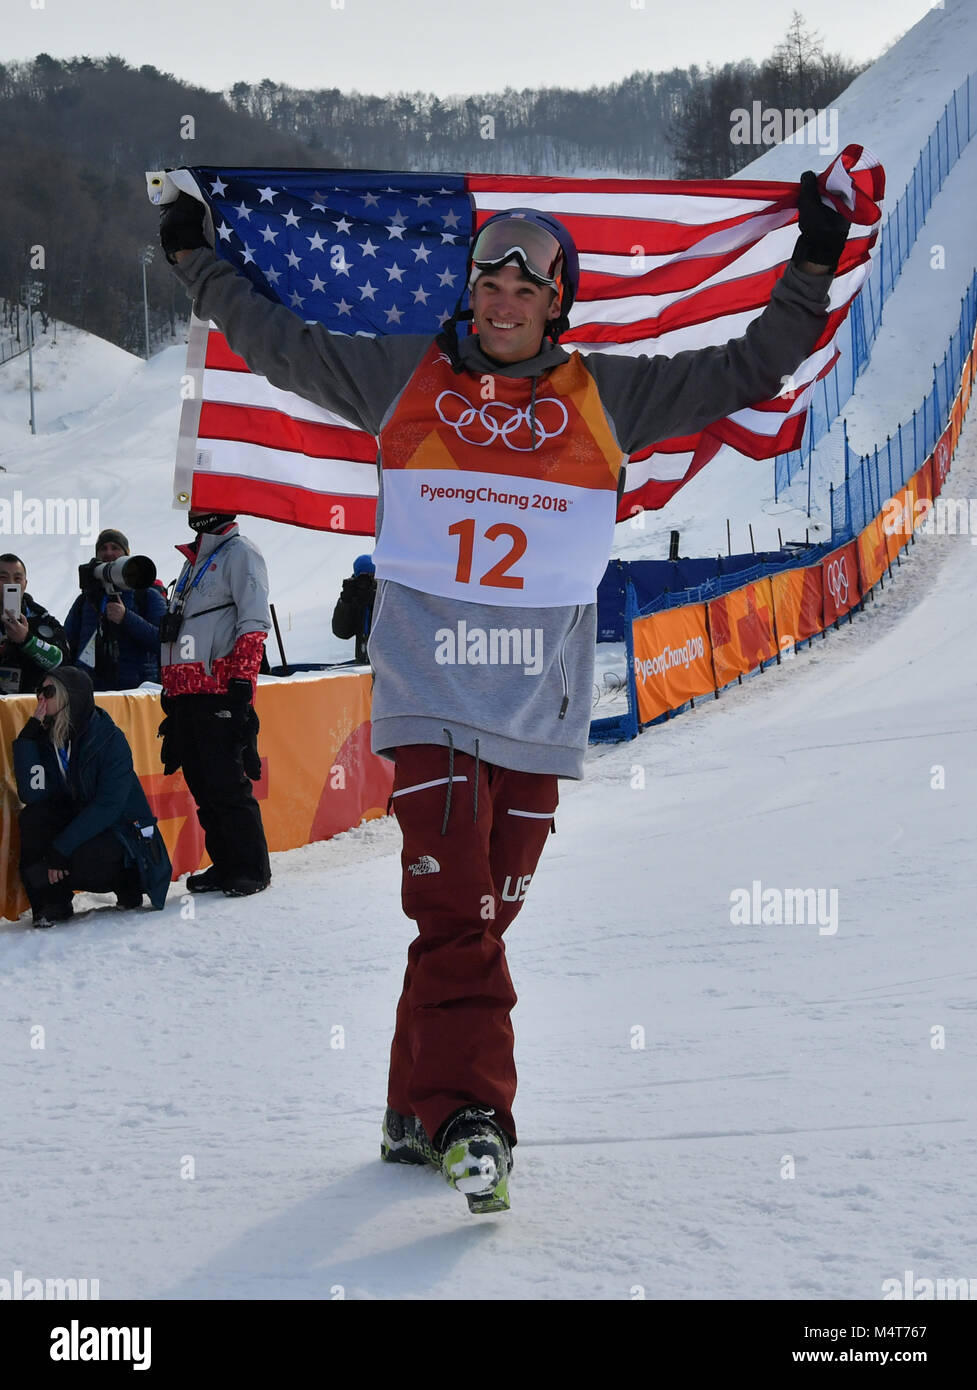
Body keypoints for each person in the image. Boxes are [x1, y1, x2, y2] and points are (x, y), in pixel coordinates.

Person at [161, 173, 850, 1211]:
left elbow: (749, 366)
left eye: (526, 282)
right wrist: (193, 259)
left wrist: (811, 260)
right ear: (468, 293)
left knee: (480, 919)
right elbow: (279, 339)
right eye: (487, 277)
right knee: (457, 916)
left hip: (537, 715)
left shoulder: (605, 396)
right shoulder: (403, 379)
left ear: (556, 301)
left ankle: (407, 1102)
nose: (503, 295)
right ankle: (470, 1115)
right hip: (428, 699)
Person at [157, 509, 272, 897]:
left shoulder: (241, 553)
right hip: (187, 692)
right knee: (203, 786)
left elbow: (254, 622)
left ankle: (251, 869)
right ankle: (225, 864)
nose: (192, 510)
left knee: (226, 783)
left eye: (201, 502)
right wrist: (170, 684)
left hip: (219, 687)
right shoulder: (194, 561)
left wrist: (242, 680)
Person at [14, 666, 172, 929]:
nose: (41, 698)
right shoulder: (46, 737)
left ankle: (128, 880)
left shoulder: (108, 738)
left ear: (70, 696)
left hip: (119, 832)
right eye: (38, 691)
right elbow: (33, 794)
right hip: (79, 821)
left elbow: (108, 807)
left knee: (81, 856)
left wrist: (60, 848)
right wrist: (27, 739)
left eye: (49, 691)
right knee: (33, 818)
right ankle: (52, 903)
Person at [64, 528, 167, 690]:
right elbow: (67, 645)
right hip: (92, 692)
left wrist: (126, 617)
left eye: (115, 548)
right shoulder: (85, 600)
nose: (109, 553)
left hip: (137, 694)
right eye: (103, 548)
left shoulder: (148, 596)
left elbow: (163, 644)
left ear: (127, 554)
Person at [0, 553, 68, 696]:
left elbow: (60, 660)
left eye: (17, 578)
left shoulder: (42, 618)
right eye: (3, 578)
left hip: (31, 708)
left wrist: (26, 640)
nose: (11, 583)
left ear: (25, 584)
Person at [331, 554, 376, 664]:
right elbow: (342, 632)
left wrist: (375, 600)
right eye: (362, 578)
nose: (366, 583)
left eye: (372, 577)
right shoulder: (356, 598)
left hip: (386, 668)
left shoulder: (387, 598)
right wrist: (345, 602)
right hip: (363, 667)